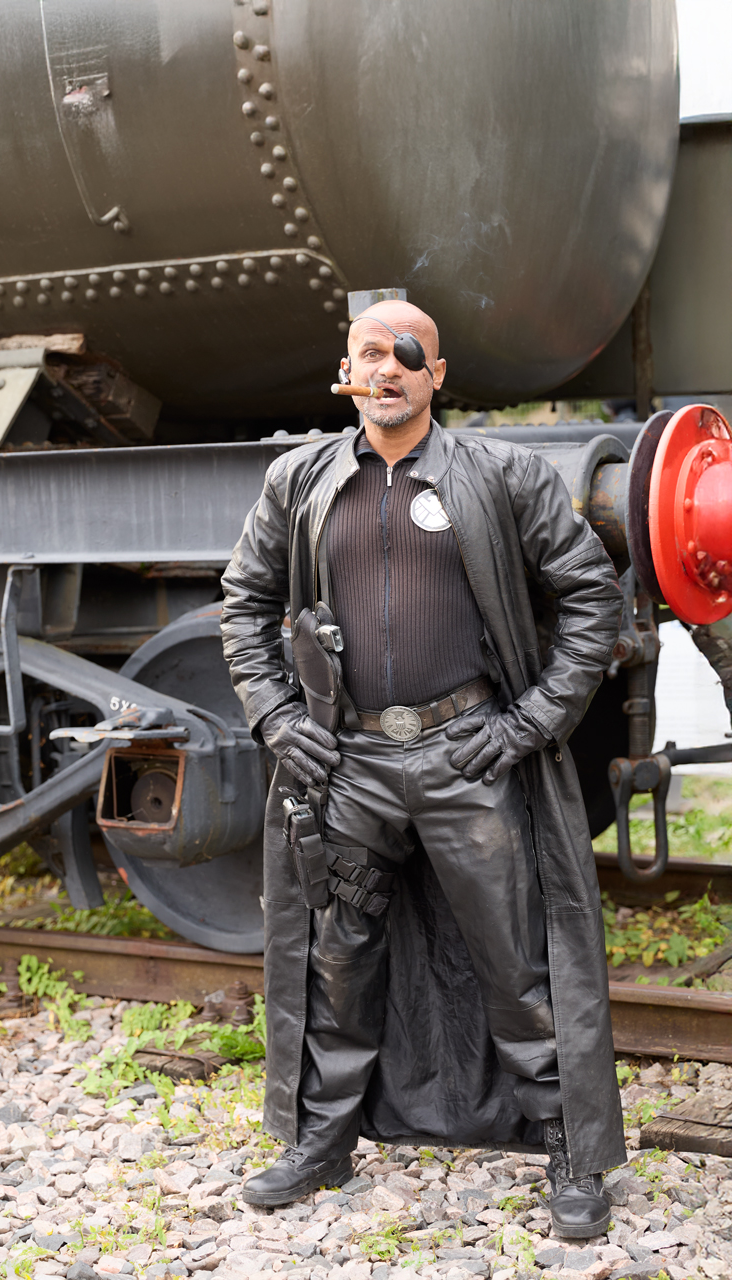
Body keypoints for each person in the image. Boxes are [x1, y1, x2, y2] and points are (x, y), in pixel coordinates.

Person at [220, 298, 625, 1238]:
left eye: (410, 354)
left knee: (519, 960)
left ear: (437, 376)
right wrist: (281, 718)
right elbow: (242, 603)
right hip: (347, 759)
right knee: (336, 959)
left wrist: (530, 723)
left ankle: (572, 1150)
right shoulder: (300, 480)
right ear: (349, 369)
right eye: (372, 352)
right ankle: (320, 1143)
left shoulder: (504, 474)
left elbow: (590, 596)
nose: (390, 367)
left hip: (469, 755)